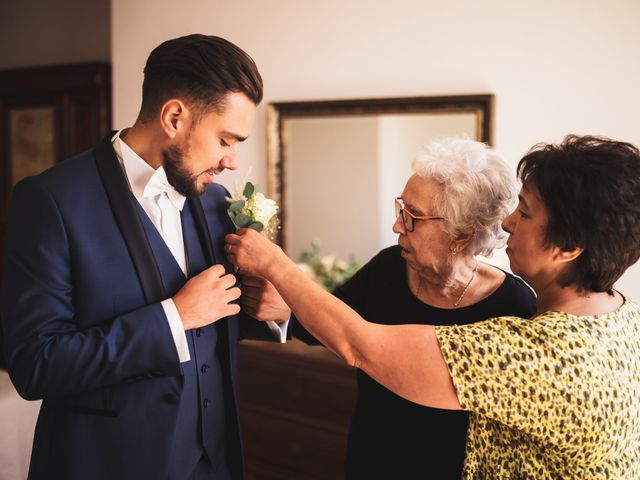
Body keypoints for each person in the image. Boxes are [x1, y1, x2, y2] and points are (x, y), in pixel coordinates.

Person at [226, 134, 640, 478]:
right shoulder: (626, 318)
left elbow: (358, 344)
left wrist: (276, 264)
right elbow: (331, 321)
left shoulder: (525, 339)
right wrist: (287, 312)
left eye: (526, 213)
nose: (509, 222)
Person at [1, 34, 288, 480]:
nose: (232, 162)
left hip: (216, 465)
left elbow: (217, 321)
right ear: (174, 116)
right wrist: (174, 318)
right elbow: (34, 364)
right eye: (226, 140)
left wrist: (272, 309)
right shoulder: (51, 201)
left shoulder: (215, 202)